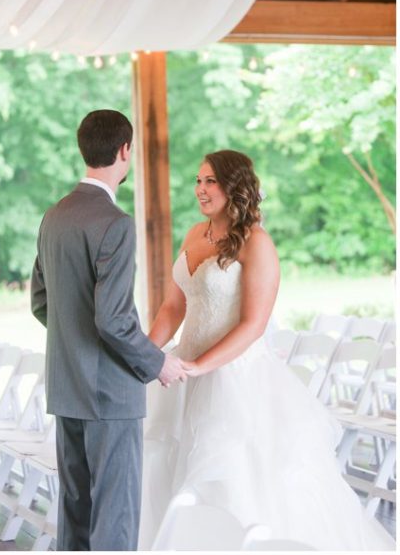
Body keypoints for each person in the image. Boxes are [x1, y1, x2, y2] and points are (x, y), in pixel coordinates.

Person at [141, 149, 394, 549]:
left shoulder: (256, 243)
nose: (201, 190)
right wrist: (144, 354)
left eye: (211, 182)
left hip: (231, 377)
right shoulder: (195, 234)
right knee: (173, 471)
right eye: (198, 181)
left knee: (230, 478)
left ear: (234, 187)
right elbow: (174, 307)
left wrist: (201, 367)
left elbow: (254, 325)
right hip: (184, 372)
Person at [31, 109, 187, 551]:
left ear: (85, 149)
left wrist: (76, 344)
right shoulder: (115, 225)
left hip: (66, 389)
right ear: (125, 150)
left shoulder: (54, 216)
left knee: (75, 516)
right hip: (111, 396)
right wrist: (158, 363)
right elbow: (114, 320)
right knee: (115, 522)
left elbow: (42, 303)